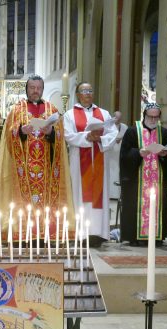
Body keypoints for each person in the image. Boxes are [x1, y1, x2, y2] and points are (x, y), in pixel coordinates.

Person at [0, 74, 73, 237]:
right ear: (27, 89)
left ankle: (46, 231)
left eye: (39, 88)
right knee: (23, 200)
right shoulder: (17, 110)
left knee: (47, 200)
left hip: (47, 170)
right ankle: (23, 231)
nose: (35, 91)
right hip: (23, 169)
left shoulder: (52, 110)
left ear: (43, 89)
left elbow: (60, 136)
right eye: (32, 88)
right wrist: (20, 132)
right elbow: (8, 136)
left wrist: (51, 132)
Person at [63, 82, 119, 246]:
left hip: (99, 158)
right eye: (84, 91)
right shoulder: (70, 114)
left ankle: (99, 233)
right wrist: (86, 138)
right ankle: (81, 233)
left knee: (99, 196)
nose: (87, 93)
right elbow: (68, 135)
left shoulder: (104, 113)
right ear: (78, 94)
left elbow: (113, 133)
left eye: (90, 90)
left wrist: (100, 139)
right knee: (81, 194)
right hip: (80, 161)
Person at [120, 103, 167, 246]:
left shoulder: (164, 133)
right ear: (144, 115)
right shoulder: (132, 131)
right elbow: (124, 155)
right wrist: (138, 153)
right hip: (136, 182)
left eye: (156, 117)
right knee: (135, 206)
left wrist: (165, 154)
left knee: (158, 205)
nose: (152, 120)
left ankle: (157, 237)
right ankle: (135, 237)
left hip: (157, 179)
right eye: (150, 116)